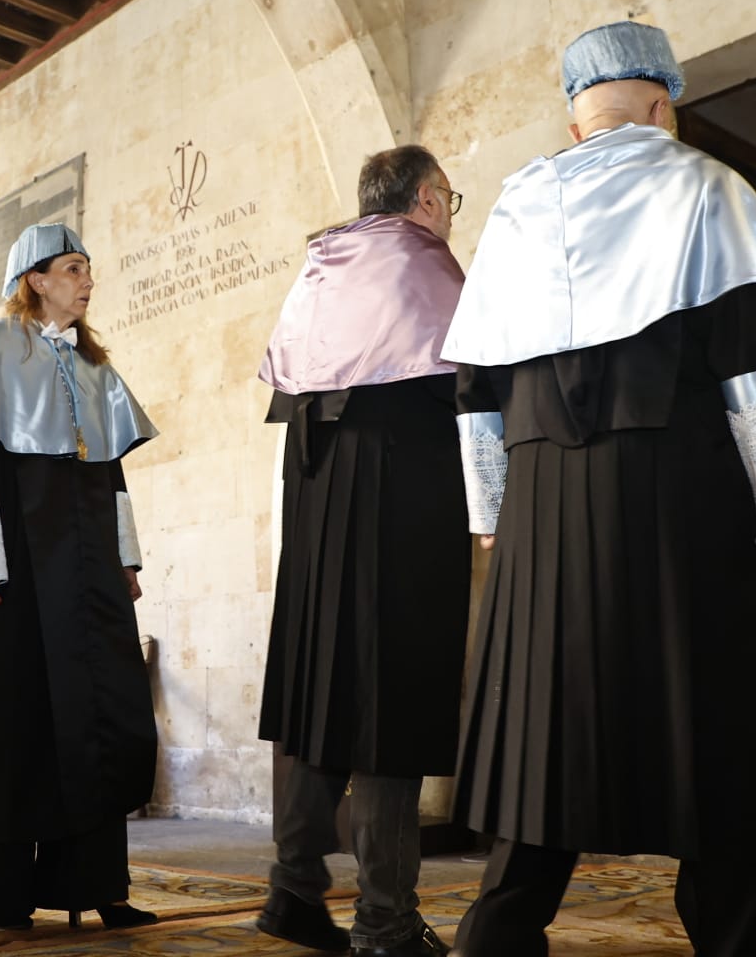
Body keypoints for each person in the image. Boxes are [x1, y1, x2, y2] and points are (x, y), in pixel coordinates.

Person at [442, 22, 756, 957]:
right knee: (710, 722)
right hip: (686, 500)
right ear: (664, 99)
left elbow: (472, 387)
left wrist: (493, 516)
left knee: (542, 728)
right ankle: (736, 937)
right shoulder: (704, 184)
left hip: (542, 507)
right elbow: (752, 352)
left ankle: (496, 934)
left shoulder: (511, 207)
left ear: (575, 114)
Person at [254, 145, 469, 957]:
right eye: (449, 197)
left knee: (314, 689)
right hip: (401, 495)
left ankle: (292, 894)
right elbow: (475, 387)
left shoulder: (321, 269)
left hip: (315, 507)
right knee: (391, 694)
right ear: (424, 198)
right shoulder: (423, 264)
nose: (450, 212)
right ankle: (385, 919)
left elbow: (291, 393)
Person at [0, 223, 159, 933]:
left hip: (88, 572)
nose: (87, 280)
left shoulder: (97, 368)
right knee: (17, 719)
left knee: (96, 712)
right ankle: (6, 893)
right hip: (17, 575)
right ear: (34, 278)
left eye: (88, 268)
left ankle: (100, 885)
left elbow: (113, 475)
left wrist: (125, 559)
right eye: (72, 268)